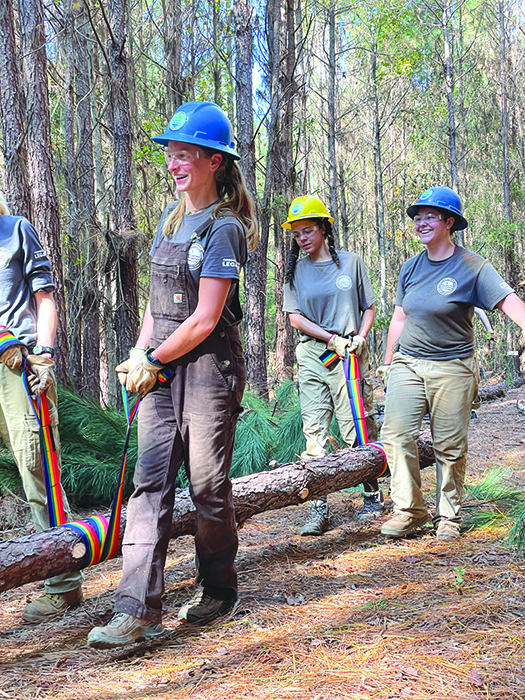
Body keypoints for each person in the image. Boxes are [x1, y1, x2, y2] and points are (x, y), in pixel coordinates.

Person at [88, 101, 257, 649]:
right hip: (161, 371)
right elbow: (156, 307)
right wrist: (140, 353)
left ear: (213, 161)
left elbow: (207, 318)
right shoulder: (170, 220)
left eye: (183, 155)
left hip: (211, 369)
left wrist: (154, 359)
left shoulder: (225, 229)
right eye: (171, 155)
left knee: (207, 487)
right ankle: (136, 611)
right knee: (149, 486)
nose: (173, 164)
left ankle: (219, 589)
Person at [378, 186, 525, 541]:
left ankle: (449, 516)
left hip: (452, 366)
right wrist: (387, 366)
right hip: (408, 363)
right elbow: (399, 319)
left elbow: (508, 302)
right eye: (418, 216)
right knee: (396, 436)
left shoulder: (473, 266)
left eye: (430, 216)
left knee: (449, 445)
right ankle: (409, 510)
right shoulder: (410, 267)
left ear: (448, 222)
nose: (421, 222)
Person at [0, 190, 83, 622]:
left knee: (37, 465)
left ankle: (63, 582)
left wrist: (44, 356)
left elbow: (45, 298)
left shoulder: (16, 230)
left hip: (19, 366)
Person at [282, 194, 384, 536]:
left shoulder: (351, 263)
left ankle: (372, 494)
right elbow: (294, 318)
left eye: (308, 230)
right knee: (314, 430)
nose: (302, 238)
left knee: (356, 424)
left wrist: (361, 336)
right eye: (297, 233)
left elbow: (369, 307)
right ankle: (319, 505)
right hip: (313, 354)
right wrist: (328, 338)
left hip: (349, 355)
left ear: (324, 228)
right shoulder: (294, 270)